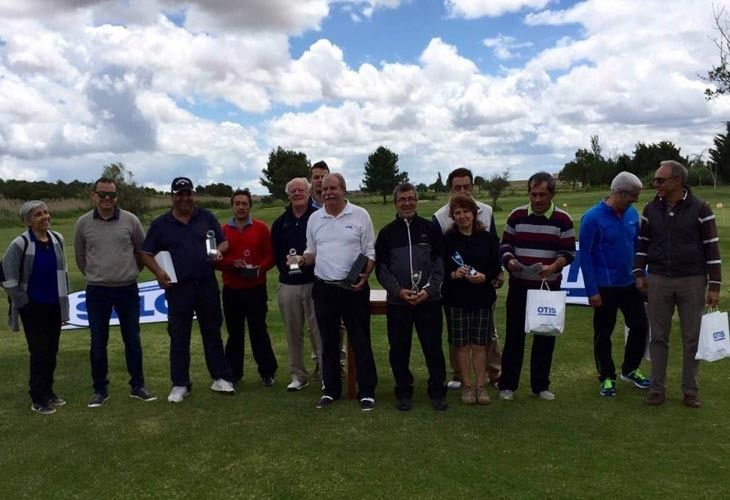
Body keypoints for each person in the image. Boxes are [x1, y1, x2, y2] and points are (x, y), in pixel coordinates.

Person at [634, 160, 721, 408]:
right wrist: (639, 272)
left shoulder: (702, 208)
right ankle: (656, 388)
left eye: (660, 180)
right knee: (658, 337)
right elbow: (642, 244)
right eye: (656, 180)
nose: (656, 184)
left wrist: (714, 285)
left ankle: (690, 390)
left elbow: (712, 248)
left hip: (692, 281)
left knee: (691, 338)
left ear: (677, 181)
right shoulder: (650, 209)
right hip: (658, 280)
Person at [140, 177, 235, 403]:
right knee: (179, 335)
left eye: (188, 193)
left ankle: (220, 377)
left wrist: (218, 251)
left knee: (212, 332)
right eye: (180, 194)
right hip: (178, 288)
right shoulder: (161, 224)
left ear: (193, 194)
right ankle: (180, 383)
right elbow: (145, 253)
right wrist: (158, 273)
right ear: (172, 196)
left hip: (205, 284)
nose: (185, 198)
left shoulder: (206, 217)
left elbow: (223, 242)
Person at [294, 173, 378, 411]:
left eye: (332, 188)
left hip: (353, 287)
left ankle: (367, 391)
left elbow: (369, 252)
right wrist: (301, 259)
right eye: (323, 189)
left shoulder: (360, 215)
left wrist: (365, 275)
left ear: (343, 190)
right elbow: (311, 251)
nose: (327, 193)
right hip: (324, 288)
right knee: (328, 342)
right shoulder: (315, 219)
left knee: (361, 339)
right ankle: (330, 390)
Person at [74, 177, 157, 408]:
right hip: (97, 291)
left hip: (127, 289)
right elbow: (81, 257)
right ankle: (100, 390)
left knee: (132, 339)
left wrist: (129, 273)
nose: (107, 199)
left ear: (117, 196)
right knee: (98, 342)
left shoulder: (131, 220)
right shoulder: (83, 223)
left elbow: (141, 253)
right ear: (94, 195)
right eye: (102, 194)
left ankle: (138, 386)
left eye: (111, 194)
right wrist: (97, 274)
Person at [499, 172, 575, 401]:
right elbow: (505, 246)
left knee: (545, 336)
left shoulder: (563, 219)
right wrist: (510, 261)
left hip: (547, 288)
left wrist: (554, 266)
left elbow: (568, 253)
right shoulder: (517, 215)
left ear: (553, 193)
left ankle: (540, 385)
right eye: (534, 194)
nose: (538, 199)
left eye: (543, 194)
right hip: (520, 285)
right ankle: (508, 385)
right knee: (514, 337)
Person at [375, 182, 447, 411]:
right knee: (399, 348)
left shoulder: (430, 228)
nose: (407, 203)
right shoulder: (387, 233)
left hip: (429, 300)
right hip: (399, 302)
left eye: (411, 199)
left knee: (433, 347)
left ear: (416, 200)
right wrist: (397, 291)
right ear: (396, 203)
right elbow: (382, 269)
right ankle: (403, 391)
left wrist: (429, 290)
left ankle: (437, 390)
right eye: (402, 199)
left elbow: (440, 263)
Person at [578, 172, 649, 398]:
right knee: (603, 333)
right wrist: (592, 290)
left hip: (630, 284)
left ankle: (630, 369)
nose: (635, 200)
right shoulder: (592, 218)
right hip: (604, 287)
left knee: (639, 326)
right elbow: (585, 256)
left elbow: (638, 247)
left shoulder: (631, 214)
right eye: (633, 195)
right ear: (618, 192)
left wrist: (641, 275)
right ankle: (607, 376)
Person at [432, 167, 502, 390]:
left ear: (473, 187)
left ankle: (493, 372)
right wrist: (451, 275)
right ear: (450, 189)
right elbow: (439, 255)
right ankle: (459, 374)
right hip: (454, 289)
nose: (462, 190)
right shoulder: (439, 216)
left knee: (487, 332)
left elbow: (493, 246)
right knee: (457, 334)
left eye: (466, 186)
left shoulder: (487, 210)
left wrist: (495, 274)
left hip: (482, 286)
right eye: (457, 187)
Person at [2, 201, 69, 414]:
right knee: (39, 352)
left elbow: (63, 273)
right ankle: (38, 398)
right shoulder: (20, 243)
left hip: (54, 305)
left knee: (51, 351)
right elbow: (6, 276)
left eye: (46, 212)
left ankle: (49, 392)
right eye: (39, 214)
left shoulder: (57, 238)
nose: (45, 217)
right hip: (33, 307)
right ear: (28, 221)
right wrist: (22, 301)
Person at [217, 189, 278, 387]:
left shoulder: (260, 228)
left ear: (250, 206)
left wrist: (262, 267)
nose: (241, 207)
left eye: (245, 203)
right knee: (235, 333)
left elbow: (271, 255)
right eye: (237, 204)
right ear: (232, 206)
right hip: (232, 289)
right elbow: (215, 259)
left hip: (255, 288)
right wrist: (230, 263)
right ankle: (234, 373)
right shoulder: (222, 230)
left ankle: (267, 372)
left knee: (258, 331)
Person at [271, 178, 321, 391]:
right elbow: (275, 253)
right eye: (293, 191)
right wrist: (288, 267)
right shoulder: (280, 222)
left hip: (316, 282)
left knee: (319, 330)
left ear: (309, 191)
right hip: (289, 285)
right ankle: (298, 375)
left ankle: (327, 373)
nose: (297, 193)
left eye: (301, 189)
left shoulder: (319, 217)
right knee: (293, 331)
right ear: (288, 195)